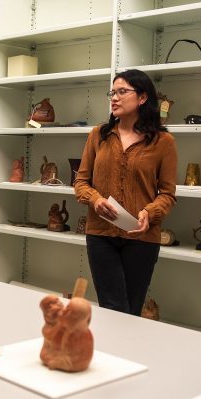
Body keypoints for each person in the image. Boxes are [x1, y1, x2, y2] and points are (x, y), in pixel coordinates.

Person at [73, 69, 178, 316]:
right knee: (113, 308)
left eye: (122, 92)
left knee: (131, 310)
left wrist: (149, 212)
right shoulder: (98, 135)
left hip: (142, 238)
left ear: (142, 98)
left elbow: (168, 193)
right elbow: (81, 182)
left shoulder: (163, 141)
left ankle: (124, 354)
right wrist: (96, 199)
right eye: (113, 92)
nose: (115, 98)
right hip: (101, 235)